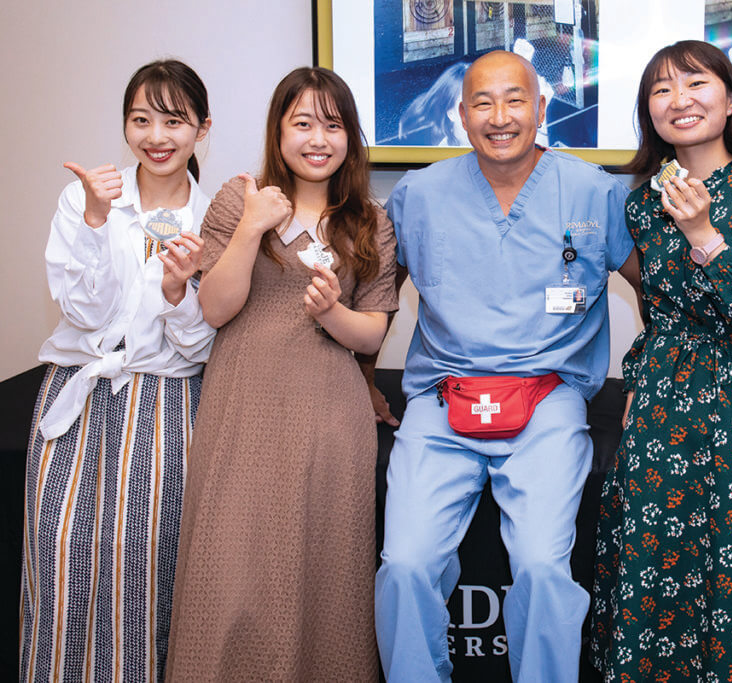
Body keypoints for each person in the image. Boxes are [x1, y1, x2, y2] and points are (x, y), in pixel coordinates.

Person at [372, 50, 636, 682]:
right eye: (482, 103)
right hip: (443, 397)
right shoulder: (421, 195)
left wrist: (652, 384)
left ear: (541, 108)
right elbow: (376, 298)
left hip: (547, 398)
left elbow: (655, 293)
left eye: (515, 100)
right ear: (460, 115)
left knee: (545, 569)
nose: (500, 116)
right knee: (404, 565)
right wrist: (360, 380)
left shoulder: (592, 191)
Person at [165, 67, 398, 680]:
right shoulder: (236, 200)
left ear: (350, 136)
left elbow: (373, 332)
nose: (318, 138)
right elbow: (214, 309)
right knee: (230, 568)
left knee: (325, 574)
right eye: (302, 123)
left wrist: (331, 313)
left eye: (333, 124)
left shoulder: (370, 220)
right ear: (278, 131)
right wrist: (251, 225)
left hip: (330, 415)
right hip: (243, 406)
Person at [589, 40, 732, 682]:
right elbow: (657, 314)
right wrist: (639, 381)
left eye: (695, 83)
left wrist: (703, 236)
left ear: (731, 97)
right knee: (652, 572)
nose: (679, 100)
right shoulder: (641, 203)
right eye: (661, 90)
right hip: (662, 406)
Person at [20, 59, 213, 682]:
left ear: (202, 128)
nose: (157, 136)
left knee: (146, 569)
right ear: (125, 125)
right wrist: (96, 221)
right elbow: (83, 312)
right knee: (58, 558)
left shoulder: (214, 220)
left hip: (163, 406)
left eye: (174, 121)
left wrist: (181, 290)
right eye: (141, 119)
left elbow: (202, 346)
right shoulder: (85, 199)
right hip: (77, 396)